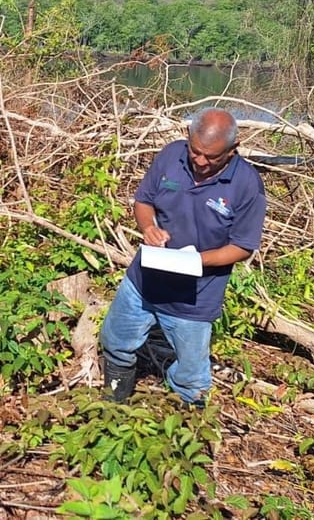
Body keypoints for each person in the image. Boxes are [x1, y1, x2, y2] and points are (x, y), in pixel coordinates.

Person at [100, 107, 266, 406]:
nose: (200, 162)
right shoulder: (171, 156)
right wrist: (149, 228)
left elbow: (242, 247)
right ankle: (113, 406)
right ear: (187, 138)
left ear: (233, 149)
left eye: (211, 157)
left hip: (194, 298)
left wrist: (196, 261)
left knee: (191, 378)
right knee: (116, 343)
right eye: (195, 152)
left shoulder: (246, 185)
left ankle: (188, 423)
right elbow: (143, 201)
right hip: (144, 282)